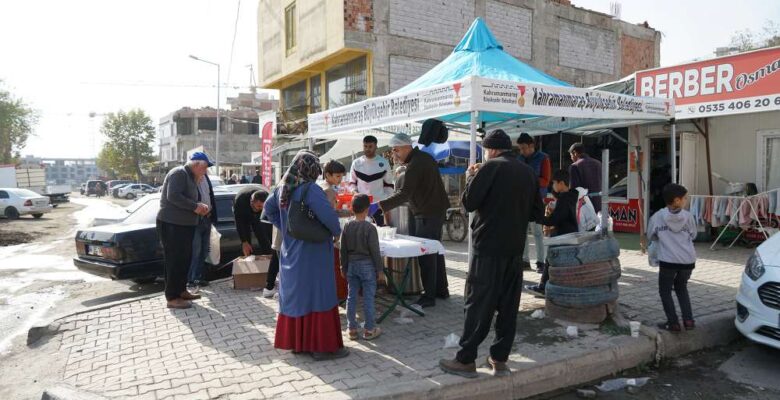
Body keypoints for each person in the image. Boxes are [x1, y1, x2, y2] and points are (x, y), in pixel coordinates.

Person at [439, 129, 543, 378]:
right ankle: (500, 358)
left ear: (491, 150)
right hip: (515, 250)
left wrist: (471, 176)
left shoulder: (489, 168)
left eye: (485, 151)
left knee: (478, 304)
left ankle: (465, 359)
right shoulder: (528, 172)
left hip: (488, 250)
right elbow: (537, 214)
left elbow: (469, 203)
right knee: (508, 307)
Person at [261, 150, 348, 360]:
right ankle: (320, 347)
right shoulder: (310, 190)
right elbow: (330, 219)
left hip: (290, 253)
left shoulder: (281, 189)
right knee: (319, 296)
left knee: (298, 297)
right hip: (314, 253)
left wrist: (285, 227)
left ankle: (299, 344)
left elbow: (268, 210)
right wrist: (336, 233)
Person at [379, 133, 450, 308]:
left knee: (426, 253)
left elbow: (404, 193)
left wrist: (379, 206)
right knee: (435, 251)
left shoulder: (416, 164)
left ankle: (430, 296)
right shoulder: (422, 158)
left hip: (428, 212)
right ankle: (441, 289)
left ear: (406, 147)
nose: (394, 154)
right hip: (433, 209)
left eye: (396, 150)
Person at [156, 152, 213, 309]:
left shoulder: (192, 176)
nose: (206, 171)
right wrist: (195, 206)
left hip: (184, 225)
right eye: (205, 167)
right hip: (172, 223)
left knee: (184, 259)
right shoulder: (179, 173)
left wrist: (200, 205)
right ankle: (172, 297)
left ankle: (181, 290)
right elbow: (173, 196)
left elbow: (186, 197)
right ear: (196, 164)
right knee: (174, 261)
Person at [647, 183, 697, 333]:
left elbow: (651, 235)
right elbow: (693, 235)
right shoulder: (688, 217)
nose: (686, 200)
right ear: (677, 200)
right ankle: (688, 320)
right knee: (682, 288)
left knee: (665, 291)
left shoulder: (657, 217)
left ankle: (673, 323)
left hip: (668, 261)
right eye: (685, 198)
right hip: (688, 261)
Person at [525, 169, 579, 297]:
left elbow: (555, 219)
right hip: (567, 233)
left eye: (554, 183)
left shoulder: (564, 199)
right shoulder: (571, 196)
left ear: (561, 183)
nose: (553, 186)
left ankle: (543, 286)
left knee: (550, 258)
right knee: (552, 260)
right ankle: (547, 285)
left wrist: (539, 218)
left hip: (563, 236)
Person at [340, 194, 384, 341]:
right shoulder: (370, 228)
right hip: (367, 266)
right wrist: (380, 270)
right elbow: (375, 251)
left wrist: (343, 266)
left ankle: (352, 329)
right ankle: (369, 329)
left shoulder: (347, 225)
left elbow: (343, 249)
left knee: (351, 297)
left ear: (351, 209)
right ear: (367, 210)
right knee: (368, 298)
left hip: (352, 265)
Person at [233, 187, 278, 298]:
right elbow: (239, 223)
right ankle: (249, 272)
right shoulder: (241, 201)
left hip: (260, 220)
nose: (259, 209)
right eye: (258, 206)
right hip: (243, 217)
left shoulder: (268, 200)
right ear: (252, 201)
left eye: (262, 207)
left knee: (265, 240)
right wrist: (244, 241)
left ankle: (268, 273)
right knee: (247, 244)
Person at [517, 133, 552, 273]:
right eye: (520, 148)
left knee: (537, 232)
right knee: (522, 231)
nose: (522, 151)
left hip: (537, 199)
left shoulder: (543, 158)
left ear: (532, 146)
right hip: (521, 199)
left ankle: (540, 261)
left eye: (524, 148)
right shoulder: (519, 159)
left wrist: (528, 180)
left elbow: (546, 180)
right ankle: (525, 260)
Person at [321, 160, 350, 302]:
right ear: (328, 175)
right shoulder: (329, 190)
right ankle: (336, 296)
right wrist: (337, 233)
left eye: (341, 176)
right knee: (334, 266)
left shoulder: (320, 186)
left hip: (318, 232)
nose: (340, 179)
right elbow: (331, 214)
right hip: (326, 234)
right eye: (338, 176)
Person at [349, 135, 393, 226]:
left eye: (370, 146)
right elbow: (352, 183)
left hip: (378, 206)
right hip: (361, 206)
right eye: (365, 146)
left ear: (376, 146)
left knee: (379, 233)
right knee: (361, 232)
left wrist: (386, 203)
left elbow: (389, 186)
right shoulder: (356, 163)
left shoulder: (384, 163)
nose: (367, 149)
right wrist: (355, 192)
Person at [187, 167, 218, 289]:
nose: (205, 169)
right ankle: (190, 279)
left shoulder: (206, 178)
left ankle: (198, 277)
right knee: (196, 251)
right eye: (204, 166)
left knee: (204, 250)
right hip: (196, 220)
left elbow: (210, 196)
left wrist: (212, 216)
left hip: (207, 218)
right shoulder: (190, 178)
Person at [568, 142, 603, 212]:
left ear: (575, 153)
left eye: (571, 155)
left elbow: (574, 189)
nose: (571, 158)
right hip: (598, 202)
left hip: (583, 205)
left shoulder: (574, 166)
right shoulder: (598, 163)